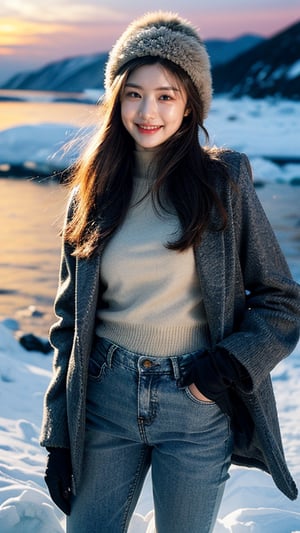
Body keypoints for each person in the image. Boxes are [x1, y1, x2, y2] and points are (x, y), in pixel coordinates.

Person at [40, 11, 300, 533]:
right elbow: (69, 325)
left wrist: (227, 365)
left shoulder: (222, 182)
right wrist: (58, 437)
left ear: (190, 104)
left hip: (195, 402)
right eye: (134, 93)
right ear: (116, 99)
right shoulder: (88, 195)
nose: (147, 110)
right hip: (105, 397)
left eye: (166, 95)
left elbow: (282, 300)